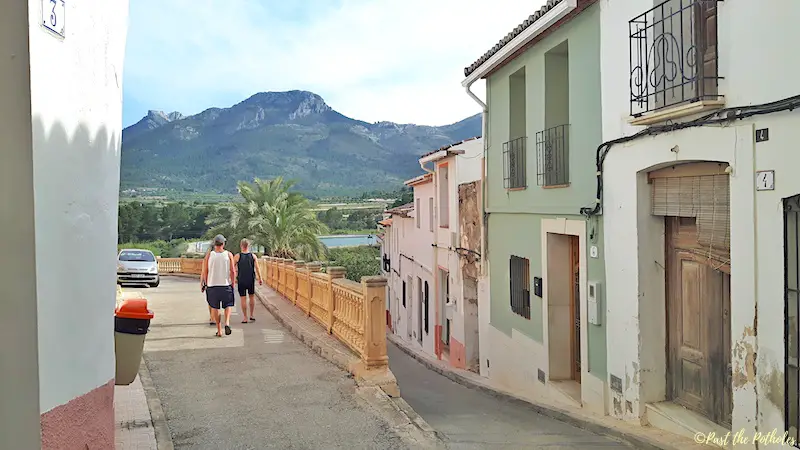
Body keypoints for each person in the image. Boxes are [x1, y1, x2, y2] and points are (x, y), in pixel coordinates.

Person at [201, 234, 236, 337]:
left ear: (214, 244)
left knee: (215, 307)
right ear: (223, 243)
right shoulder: (228, 254)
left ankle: (219, 330)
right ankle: (227, 323)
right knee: (228, 305)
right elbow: (233, 271)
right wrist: (233, 283)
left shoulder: (209, 255)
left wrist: (206, 283)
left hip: (212, 286)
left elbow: (205, 271)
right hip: (225, 284)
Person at [234, 239, 263, 323]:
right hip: (250, 279)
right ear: (249, 246)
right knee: (251, 297)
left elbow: (231, 267)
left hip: (241, 279)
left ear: (241, 245)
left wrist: (234, 276)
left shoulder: (237, 256)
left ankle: (245, 317)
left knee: (243, 298)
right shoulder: (253, 256)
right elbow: (257, 268)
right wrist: (260, 278)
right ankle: (252, 315)